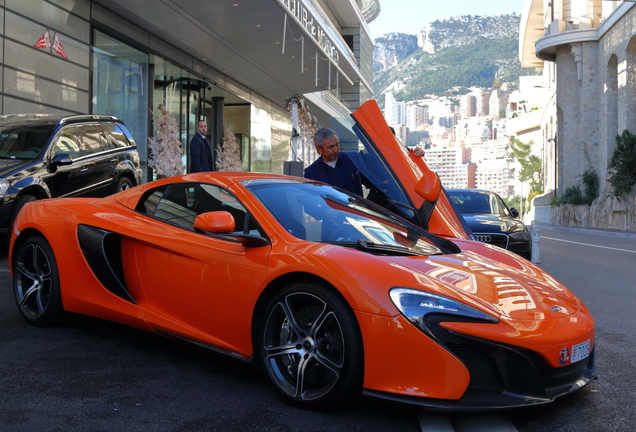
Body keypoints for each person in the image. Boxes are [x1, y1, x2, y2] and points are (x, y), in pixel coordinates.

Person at [304, 127, 363, 195]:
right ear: (319, 150)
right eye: (330, 147)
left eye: (337, 144)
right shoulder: (311, 173)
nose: (336, 150)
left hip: (354, 205)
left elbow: (371, 181)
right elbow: (311, 198)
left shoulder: (353, 158)